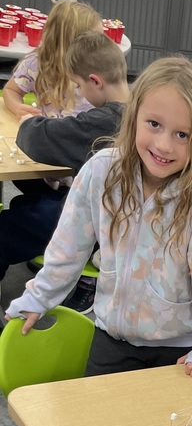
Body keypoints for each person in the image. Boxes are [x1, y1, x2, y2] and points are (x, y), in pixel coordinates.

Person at [4, 58, 192, 379]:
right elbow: (68, 245)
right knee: (97, 423)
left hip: (179, 347)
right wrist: (39, 296)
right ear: (134, 116)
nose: (163, 144)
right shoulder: (102, 172)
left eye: (183, 134)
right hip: (112, 336)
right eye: (153, 124)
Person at [0, 32, 130, 312]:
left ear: (95, 81)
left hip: (96, 223)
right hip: (115, 214)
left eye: (79, 86)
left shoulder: (105, 120)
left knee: (8, 228)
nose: (80, 94)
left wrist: (27, 120)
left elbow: (36, 140)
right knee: (31, 200)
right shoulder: (135, 110)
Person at [2, 0, 103, 120]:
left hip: (88, 136)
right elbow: (11, 90)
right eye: (95, 41)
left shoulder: (100, 67)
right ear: (71, 42)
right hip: (48, 134)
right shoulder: (38, 63)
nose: (102, 45)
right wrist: (17, 106)